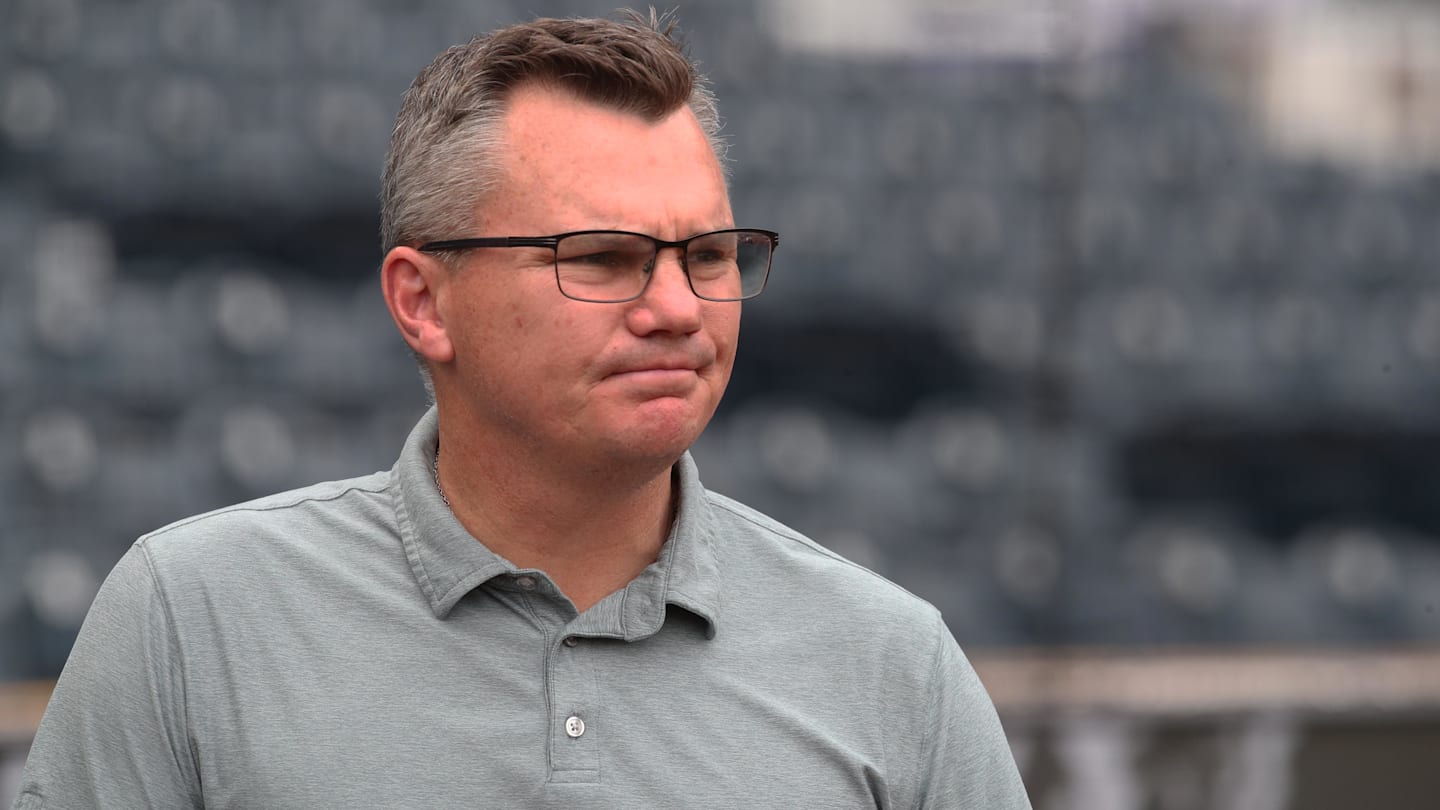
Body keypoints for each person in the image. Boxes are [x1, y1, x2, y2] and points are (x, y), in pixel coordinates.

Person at [15, 11, 1030, 809]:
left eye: (710, 256)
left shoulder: (894, 663)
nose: (677, 309)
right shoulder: (190, 620)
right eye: (601, 258)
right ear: (423, 301)